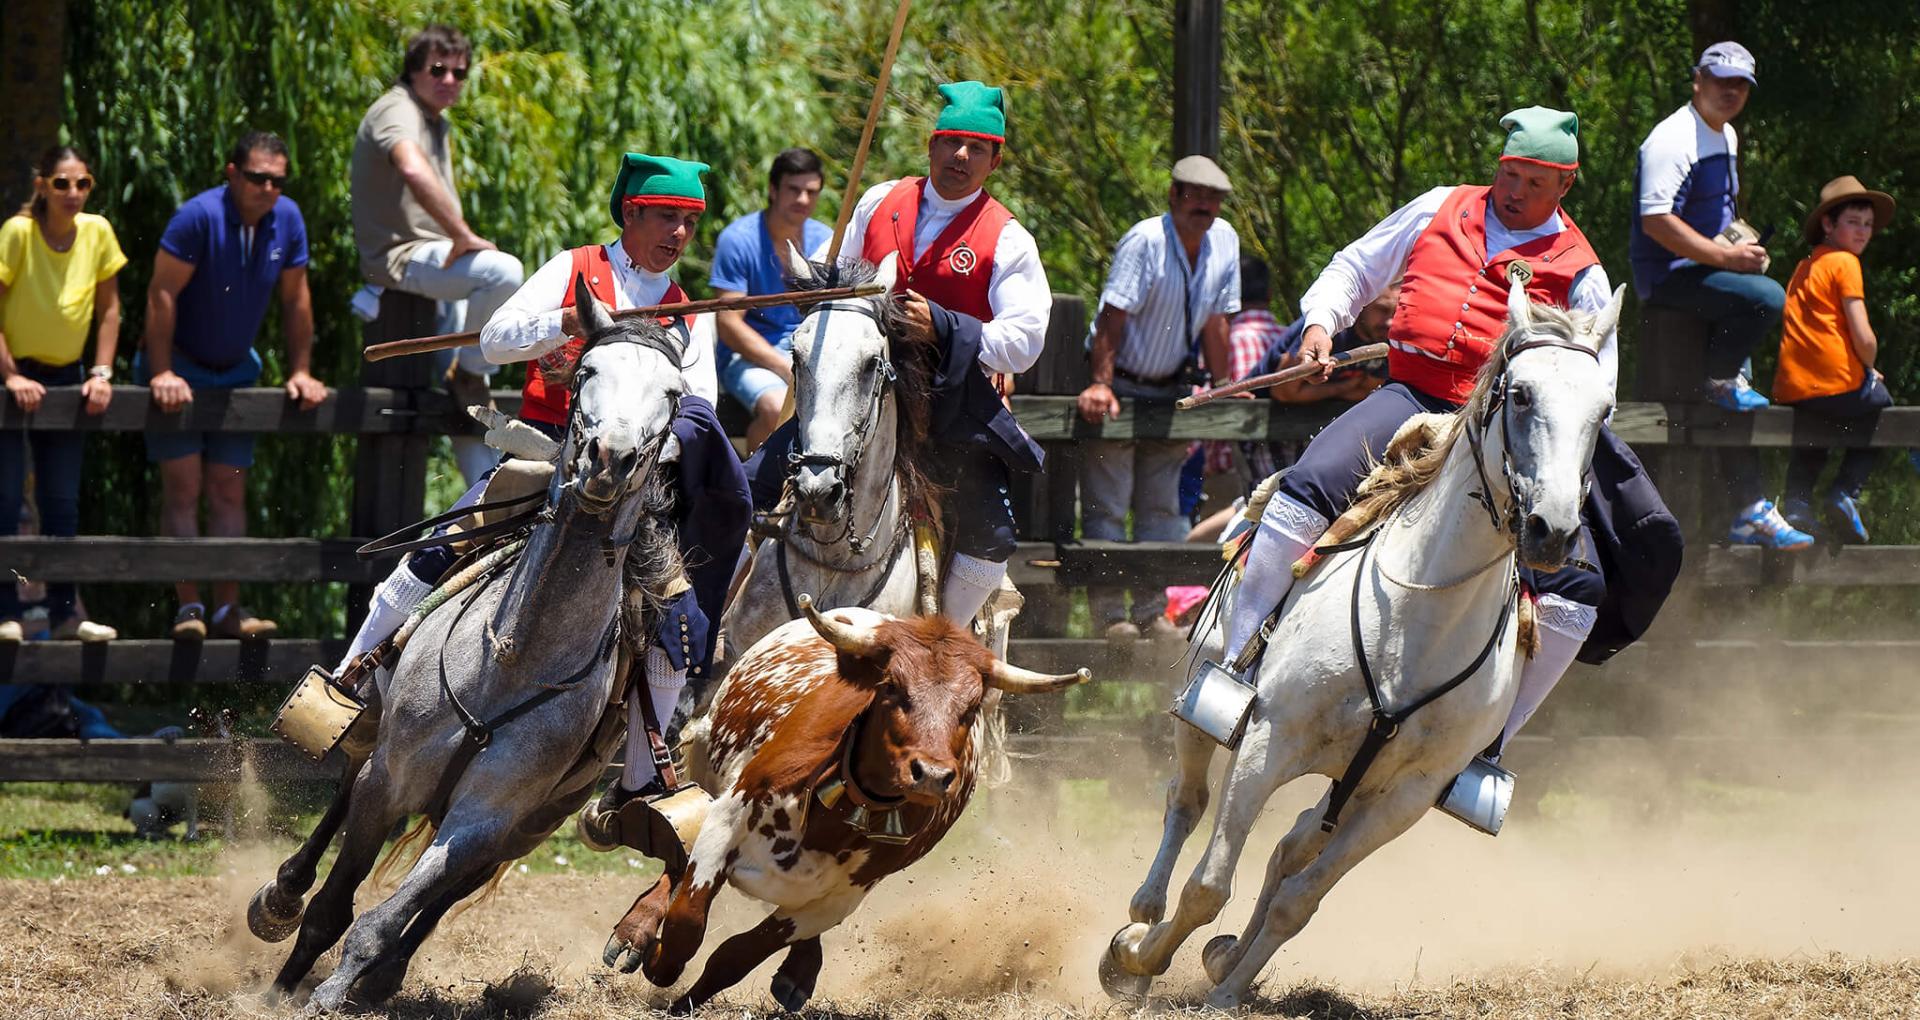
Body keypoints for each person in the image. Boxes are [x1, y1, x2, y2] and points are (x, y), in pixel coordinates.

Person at [1221, 108, 1678, 794]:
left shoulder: (1581, 271)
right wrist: (1320, 324)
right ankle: (1235, 668)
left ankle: (1485, 748)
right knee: (1308, 485)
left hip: (1502, 435)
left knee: (1577, 587)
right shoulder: (1441, 206)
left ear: (1565, 186)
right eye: (1508, 172)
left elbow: (1594, 384)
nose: (1513, 189)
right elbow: (1356, 266)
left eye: (1532, 180)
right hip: (1411, 397)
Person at [335, 153, 748, 815]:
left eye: (690, 223)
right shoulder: (574, 266)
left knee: (679, 613)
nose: (678, 234)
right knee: (433, 553)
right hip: (547, 459)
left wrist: (646, 447)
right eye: (667, 217)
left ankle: (643, 775)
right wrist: (563, 323)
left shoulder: (686, 309)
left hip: (632, 487)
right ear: (632, 213)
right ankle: (346, 687)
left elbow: (699, 405)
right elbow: (496, 340)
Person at [747, 80, 1053, 629]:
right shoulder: (878, 201)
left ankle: (945, 643)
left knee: (992, 533)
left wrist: (943, 324)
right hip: (855, 396)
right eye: (951, 141)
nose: (961, 155)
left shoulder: (1008, 238)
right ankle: (711, 639)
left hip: (950, 406)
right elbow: (830, 268)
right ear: (931, 145)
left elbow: (1025, 344)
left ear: (995, 160)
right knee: (746, 485)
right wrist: (813, 286)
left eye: (976, 147)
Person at [139, 131, 328, 639]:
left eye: (277, 180)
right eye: (257, 178)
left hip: (236, 372)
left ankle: (228, 609)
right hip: (181, 365)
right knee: (183, 489)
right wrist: (161, 371)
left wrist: (301, 370)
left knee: (228, 491)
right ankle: (190, 610)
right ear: (231, 174)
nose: (268, 188)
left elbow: (296, 300)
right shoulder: (197, 218)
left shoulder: (286, 219)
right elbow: (161, 293)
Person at [1629, 41, 1810, 549]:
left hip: (1706, 270)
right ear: (1697, 80)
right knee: (1768, 299)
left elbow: (1714, 214)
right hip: (1670, 279)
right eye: (1720, 80)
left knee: (1742, 397)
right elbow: (1656, 221)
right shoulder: (1672, 138)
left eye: (1740, 84)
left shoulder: (1725, 134)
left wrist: (1741, 247)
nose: (1729, 91)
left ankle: (1749, 508)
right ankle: (1717, 376)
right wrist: (1729, 262)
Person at [351, 23, 523, 486]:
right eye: (439, 70)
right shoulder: (397, 109)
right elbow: (409, 166)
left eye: (459, 73)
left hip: (435, 265)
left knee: (469, 404)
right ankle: (468, 370)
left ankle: (484, 507)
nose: (450, 80)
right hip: (401, 258)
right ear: (413, 71)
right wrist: (463, 236)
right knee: (503, 272)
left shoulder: (434, 119)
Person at [1077, 156, 1240, 641]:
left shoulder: (1224, 242)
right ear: (1173, 195)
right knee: (1107, 506)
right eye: (1194, 195)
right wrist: (1101, 383)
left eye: (1213, 199)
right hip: (1121, 383)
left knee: (1162, 511)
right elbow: (1113, 315)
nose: (1204, 206)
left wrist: (1224, 384)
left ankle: (1151, 613)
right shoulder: (1146, 239)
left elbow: (1216, 322)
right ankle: (1110, 617)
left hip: (1170, 389)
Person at [0, 145, 124, 644]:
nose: (73, 193)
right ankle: (5, 610)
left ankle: (66, 613)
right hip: (12, 374)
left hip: (70, 374)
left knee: (61, 503)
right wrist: (10, 376)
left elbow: (110, 310)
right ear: (42, 186)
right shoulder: (18, 233)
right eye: (62, 184)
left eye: (83, 184)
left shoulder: (97, 232)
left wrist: (101, 372)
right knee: (6, 499)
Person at [1773, 176, 1897, 543]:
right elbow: (1863, 335)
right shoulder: (1846, 263)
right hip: (1835, 378)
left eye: (1868, 225)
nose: (1862, 232)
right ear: (1829, 224)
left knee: (1814, 436)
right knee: (1882, 407)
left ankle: (1797, 505)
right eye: (1853, 222)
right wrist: (1869, 366)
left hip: (1795, 385)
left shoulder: (1804, 267)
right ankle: (1845, 492)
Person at [708, 148, 831, 448]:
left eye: (811, 192)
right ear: (773, 190)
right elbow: (728, 323)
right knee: (778, 408)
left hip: (806, 349)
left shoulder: (827, 239)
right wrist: (781, 366)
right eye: (794, 190)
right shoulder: (738, 239)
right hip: (747, 356)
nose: (803, 199)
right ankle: (755, 491)